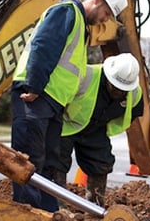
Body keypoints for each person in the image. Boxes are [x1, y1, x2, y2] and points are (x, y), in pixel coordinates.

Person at [10, 0, 128, 212]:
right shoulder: (67, 12)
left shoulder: (81, 27)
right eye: (106, 13)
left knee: (49, 164)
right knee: (28, 160)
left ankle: (50, 217)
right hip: (37, 95)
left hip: (52, 102)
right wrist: (34, 85)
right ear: (97, 0)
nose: (105, 20)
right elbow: (43, 45)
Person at [50, 53, 144, 206]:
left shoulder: (134, 94)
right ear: (108, 77)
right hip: (67, 125)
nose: (118, 93)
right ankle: (56, 204)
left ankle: (95, 205)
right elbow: (59, 96)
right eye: (115, 87)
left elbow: (134, 113)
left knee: (102, 163)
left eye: (122, 90)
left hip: (95, 128)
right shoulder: (86, 76)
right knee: (57, 161)